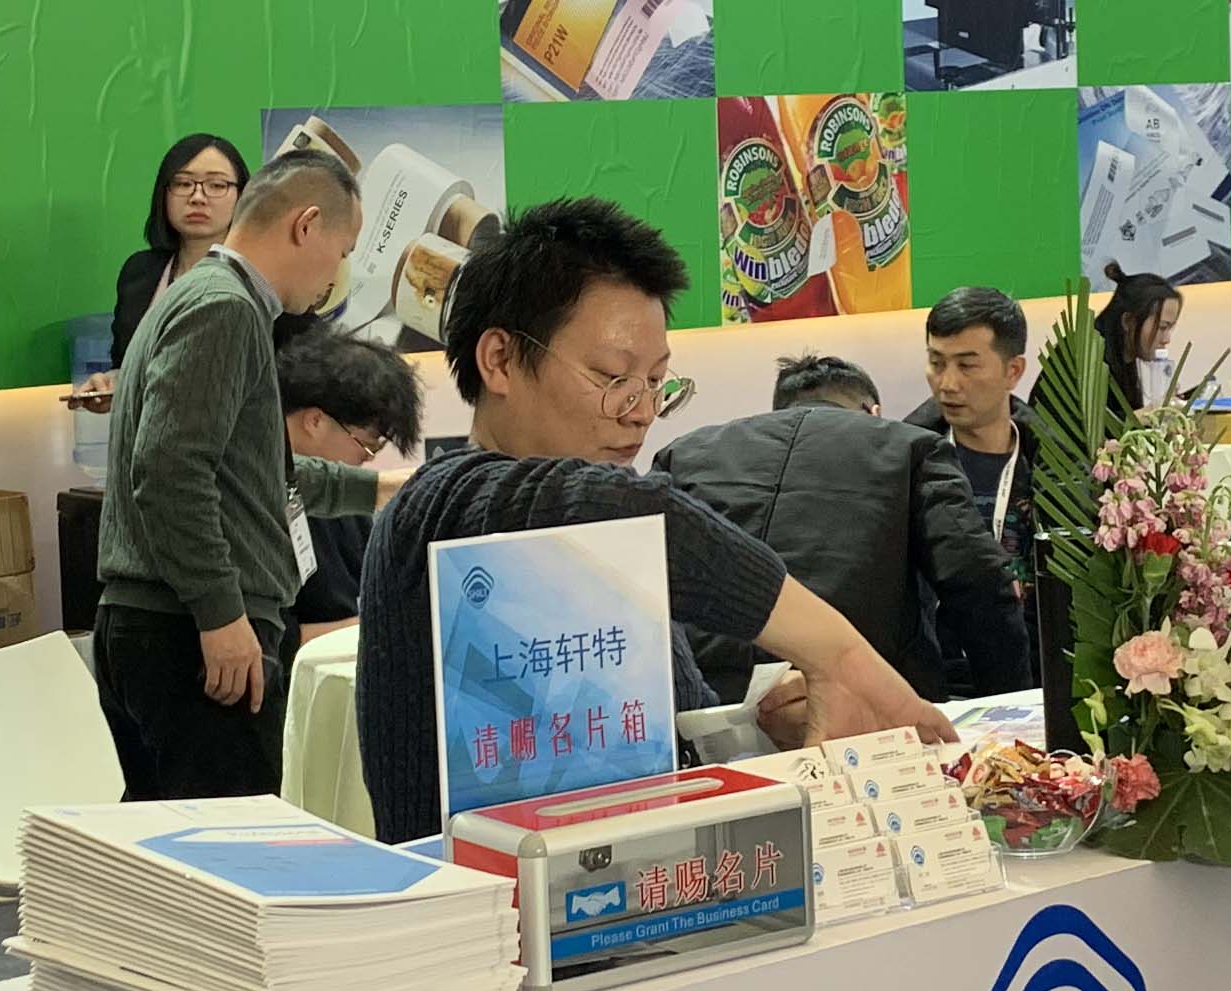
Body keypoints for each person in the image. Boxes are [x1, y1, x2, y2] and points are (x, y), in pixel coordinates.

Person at [350, 198, 957, 845]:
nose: (640, 411)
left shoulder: (600, 550)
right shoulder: (438, 506)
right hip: (485, 899)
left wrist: (753, 726)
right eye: (613, 376)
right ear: (499, 360)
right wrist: (837, 653)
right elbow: (622, 506)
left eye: (656, 382)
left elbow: (661, 744)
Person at [91, 146, 371, 799]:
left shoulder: (209, 297)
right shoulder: (226, 308)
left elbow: (246, 472)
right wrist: (220, 616)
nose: (338, 274)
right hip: (189, 637)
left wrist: (376, 488)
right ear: (306, 225)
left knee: (169, 840)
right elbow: (170, 471)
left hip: (163, 629)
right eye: (342, 250)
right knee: (230, 844)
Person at [654, 355, 1027, 702]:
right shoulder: (912, 446)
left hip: (707, 710)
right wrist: (1010, 702)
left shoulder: (683, 453)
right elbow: (976, 577)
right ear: (874, 413)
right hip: (868, 709)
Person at [80, 134, 250, 407]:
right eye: (183, 183)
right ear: (164, 193)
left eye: (217, 185)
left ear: (242, 195)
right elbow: (125, 365)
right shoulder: (140, 272)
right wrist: (111, 384)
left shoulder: (259, 277)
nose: (197, 197)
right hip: (148, 431)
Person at [276, 323, 419, 631]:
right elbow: (270, 639)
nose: (367, 459)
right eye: (366, 446)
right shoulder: (255, 496)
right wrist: (378, 629)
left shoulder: (353, 503)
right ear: (315, 421)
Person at [905, 284, 1040, 602]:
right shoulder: (906, 463)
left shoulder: (1055, 464)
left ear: (1013, 371)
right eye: (937, 363)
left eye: (966, 365)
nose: (948, 384)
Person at [1099, 266, 1185, 415]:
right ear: (1128, 321)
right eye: (1162, 327)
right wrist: (1148, 414)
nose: (1166, 340)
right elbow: (1093, 426)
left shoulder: (1124, 362)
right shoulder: (1087, 359)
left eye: (1169, 329)